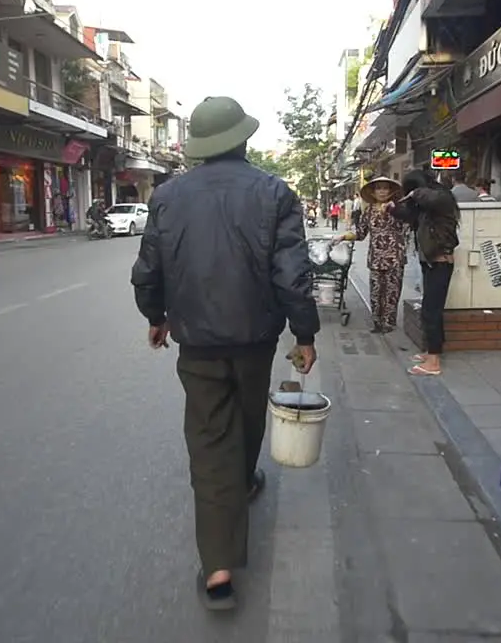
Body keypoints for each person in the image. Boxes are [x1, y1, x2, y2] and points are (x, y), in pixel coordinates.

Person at [131, 96, 319, 611]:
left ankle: (218, 568)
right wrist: (304, 335)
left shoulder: (167, 196)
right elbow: (293, 276)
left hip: (197, 343)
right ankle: (242, 480)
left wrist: (156, 317)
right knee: (249, 421)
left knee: (210, 439)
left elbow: (148, 270)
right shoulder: (275, 192)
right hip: (256, 339)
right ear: (243, 139)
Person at [391, 169, 459, 375]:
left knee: (431, 311)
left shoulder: (442, 197)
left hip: (440, 261)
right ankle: (432, 351)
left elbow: (431, 199)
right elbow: (410, 216)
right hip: (429, 261)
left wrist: (415, 192)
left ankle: (434, 362)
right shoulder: (425, 205)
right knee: (430, 309)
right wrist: (392, 209)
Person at [343, 177, 410, 333]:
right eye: (378, 188)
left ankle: (388, 323)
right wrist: (343, 236)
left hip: (395, 257)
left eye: (385, 188)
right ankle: (377, 322)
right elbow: (360, 233)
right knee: (375, 291)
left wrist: (396, 209)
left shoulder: (398, 209)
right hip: (375, 258)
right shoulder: (369, 211)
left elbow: (409, 222)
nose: (381, 191)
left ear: (390, 191)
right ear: (373, 192)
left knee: (392, 291)